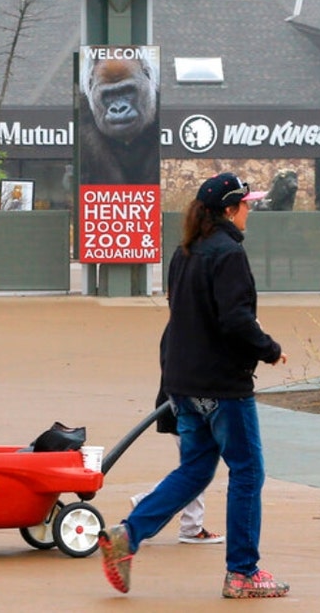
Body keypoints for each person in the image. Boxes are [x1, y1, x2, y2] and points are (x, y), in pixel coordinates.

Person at [97, 172, 290, 599]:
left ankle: (129, 533)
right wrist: (270, 349)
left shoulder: (184, 253)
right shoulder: (229, 255)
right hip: (222, 387)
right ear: (229, 209)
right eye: (245, 204)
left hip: (184, 385)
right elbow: (236, 320)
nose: (249, 211)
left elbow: (183, 320)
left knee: (196, 469)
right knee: (247, 472)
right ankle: (242, 573)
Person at [129, 380, 224, 544]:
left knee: (195, 468)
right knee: (196, 469)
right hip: (184, 405)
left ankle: (190, 525)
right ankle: (152, 503)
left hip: (175, 401)